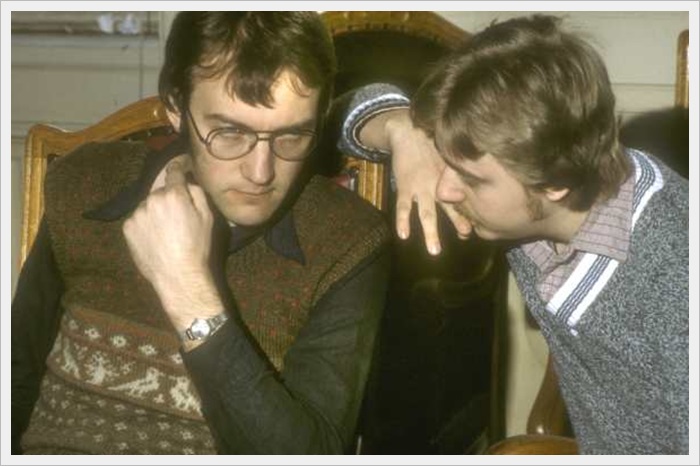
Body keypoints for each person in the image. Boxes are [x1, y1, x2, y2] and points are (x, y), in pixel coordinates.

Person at [12, 12, 390, 454]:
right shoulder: (84, 183)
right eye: (229, 133)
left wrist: (189, 295)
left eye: (292, 136)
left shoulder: (348, 242)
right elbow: (15, 378)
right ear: (176, 107)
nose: (261, 172)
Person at [339, 15, 688, 454]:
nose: (444, 189)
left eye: (470, 178)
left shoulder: (675, 287)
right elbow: (344, 113)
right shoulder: (535, 175)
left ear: (555, 181)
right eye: (444, 160)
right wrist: (402, 131)